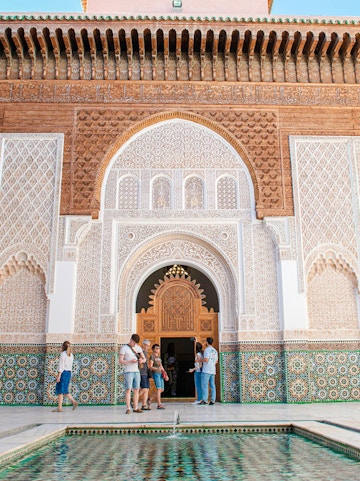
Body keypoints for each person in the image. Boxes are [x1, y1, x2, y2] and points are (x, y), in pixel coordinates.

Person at [119, 333, 146, 414]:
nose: (134, 344)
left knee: (136, 389)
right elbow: (120, 360)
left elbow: (144, 359)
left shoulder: (138, 348)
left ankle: (136, 407)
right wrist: (129, 361)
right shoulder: (124, 348)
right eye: (134, 342)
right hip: (128, 371)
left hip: (137, 371)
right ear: (131, 340)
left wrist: (141, 360)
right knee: (128, 389)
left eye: (136, 343)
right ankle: (128, 408)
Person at [53, 340, 78, 412]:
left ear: (63, 347)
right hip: (68, 373)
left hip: (63, 373)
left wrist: (59, 376)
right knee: (62, 390)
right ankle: (60, 408)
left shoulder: (63, 354)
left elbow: (61, 366)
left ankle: (73, 402)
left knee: (61, 390)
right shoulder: (71, 355)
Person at [199, 337, 218, 405]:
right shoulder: (215, 351)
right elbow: (216, 361)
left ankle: (205, 400)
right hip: (213, 370)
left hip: (206, 370)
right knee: (212, 385)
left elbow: (206, 359)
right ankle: (213, 400)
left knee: (204, 385)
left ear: (207, 342)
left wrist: (199, 360)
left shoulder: (207, 350)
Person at [149, 343, 166, 409]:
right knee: (159, 388)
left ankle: (150, 398)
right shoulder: (152, 357)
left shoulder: (158, 357)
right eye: (156, 348)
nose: (157, 350)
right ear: (153, 349)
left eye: (158, 348)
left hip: (160, 374)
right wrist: (157, 369)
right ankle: (159, 404)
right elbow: (150, 366)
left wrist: (165, 373)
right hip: (156, 373)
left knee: (162, 389)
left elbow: (161, 366)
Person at [139, 339, 152, 410]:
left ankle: (144, 405)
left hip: (146, 372)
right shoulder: (140, 352)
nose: (148, 347)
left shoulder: (145, 353)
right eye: (147, 345)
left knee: (146, 389)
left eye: (148, 346)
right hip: (142, 372)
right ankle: (134, 399)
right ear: (143, 344)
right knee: (144, 388)